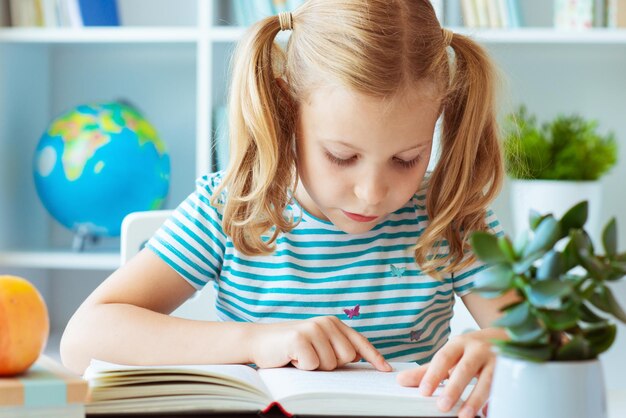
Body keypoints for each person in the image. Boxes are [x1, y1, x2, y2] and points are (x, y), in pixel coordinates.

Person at [61, 1, 517, 416]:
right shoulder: (233, 207)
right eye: (341, 156)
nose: (372, 193)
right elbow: (84, 339)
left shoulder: (452, 217)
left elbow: (560, 343)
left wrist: (506, 348)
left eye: (406, 159)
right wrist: (258, 340)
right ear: (285, 108)